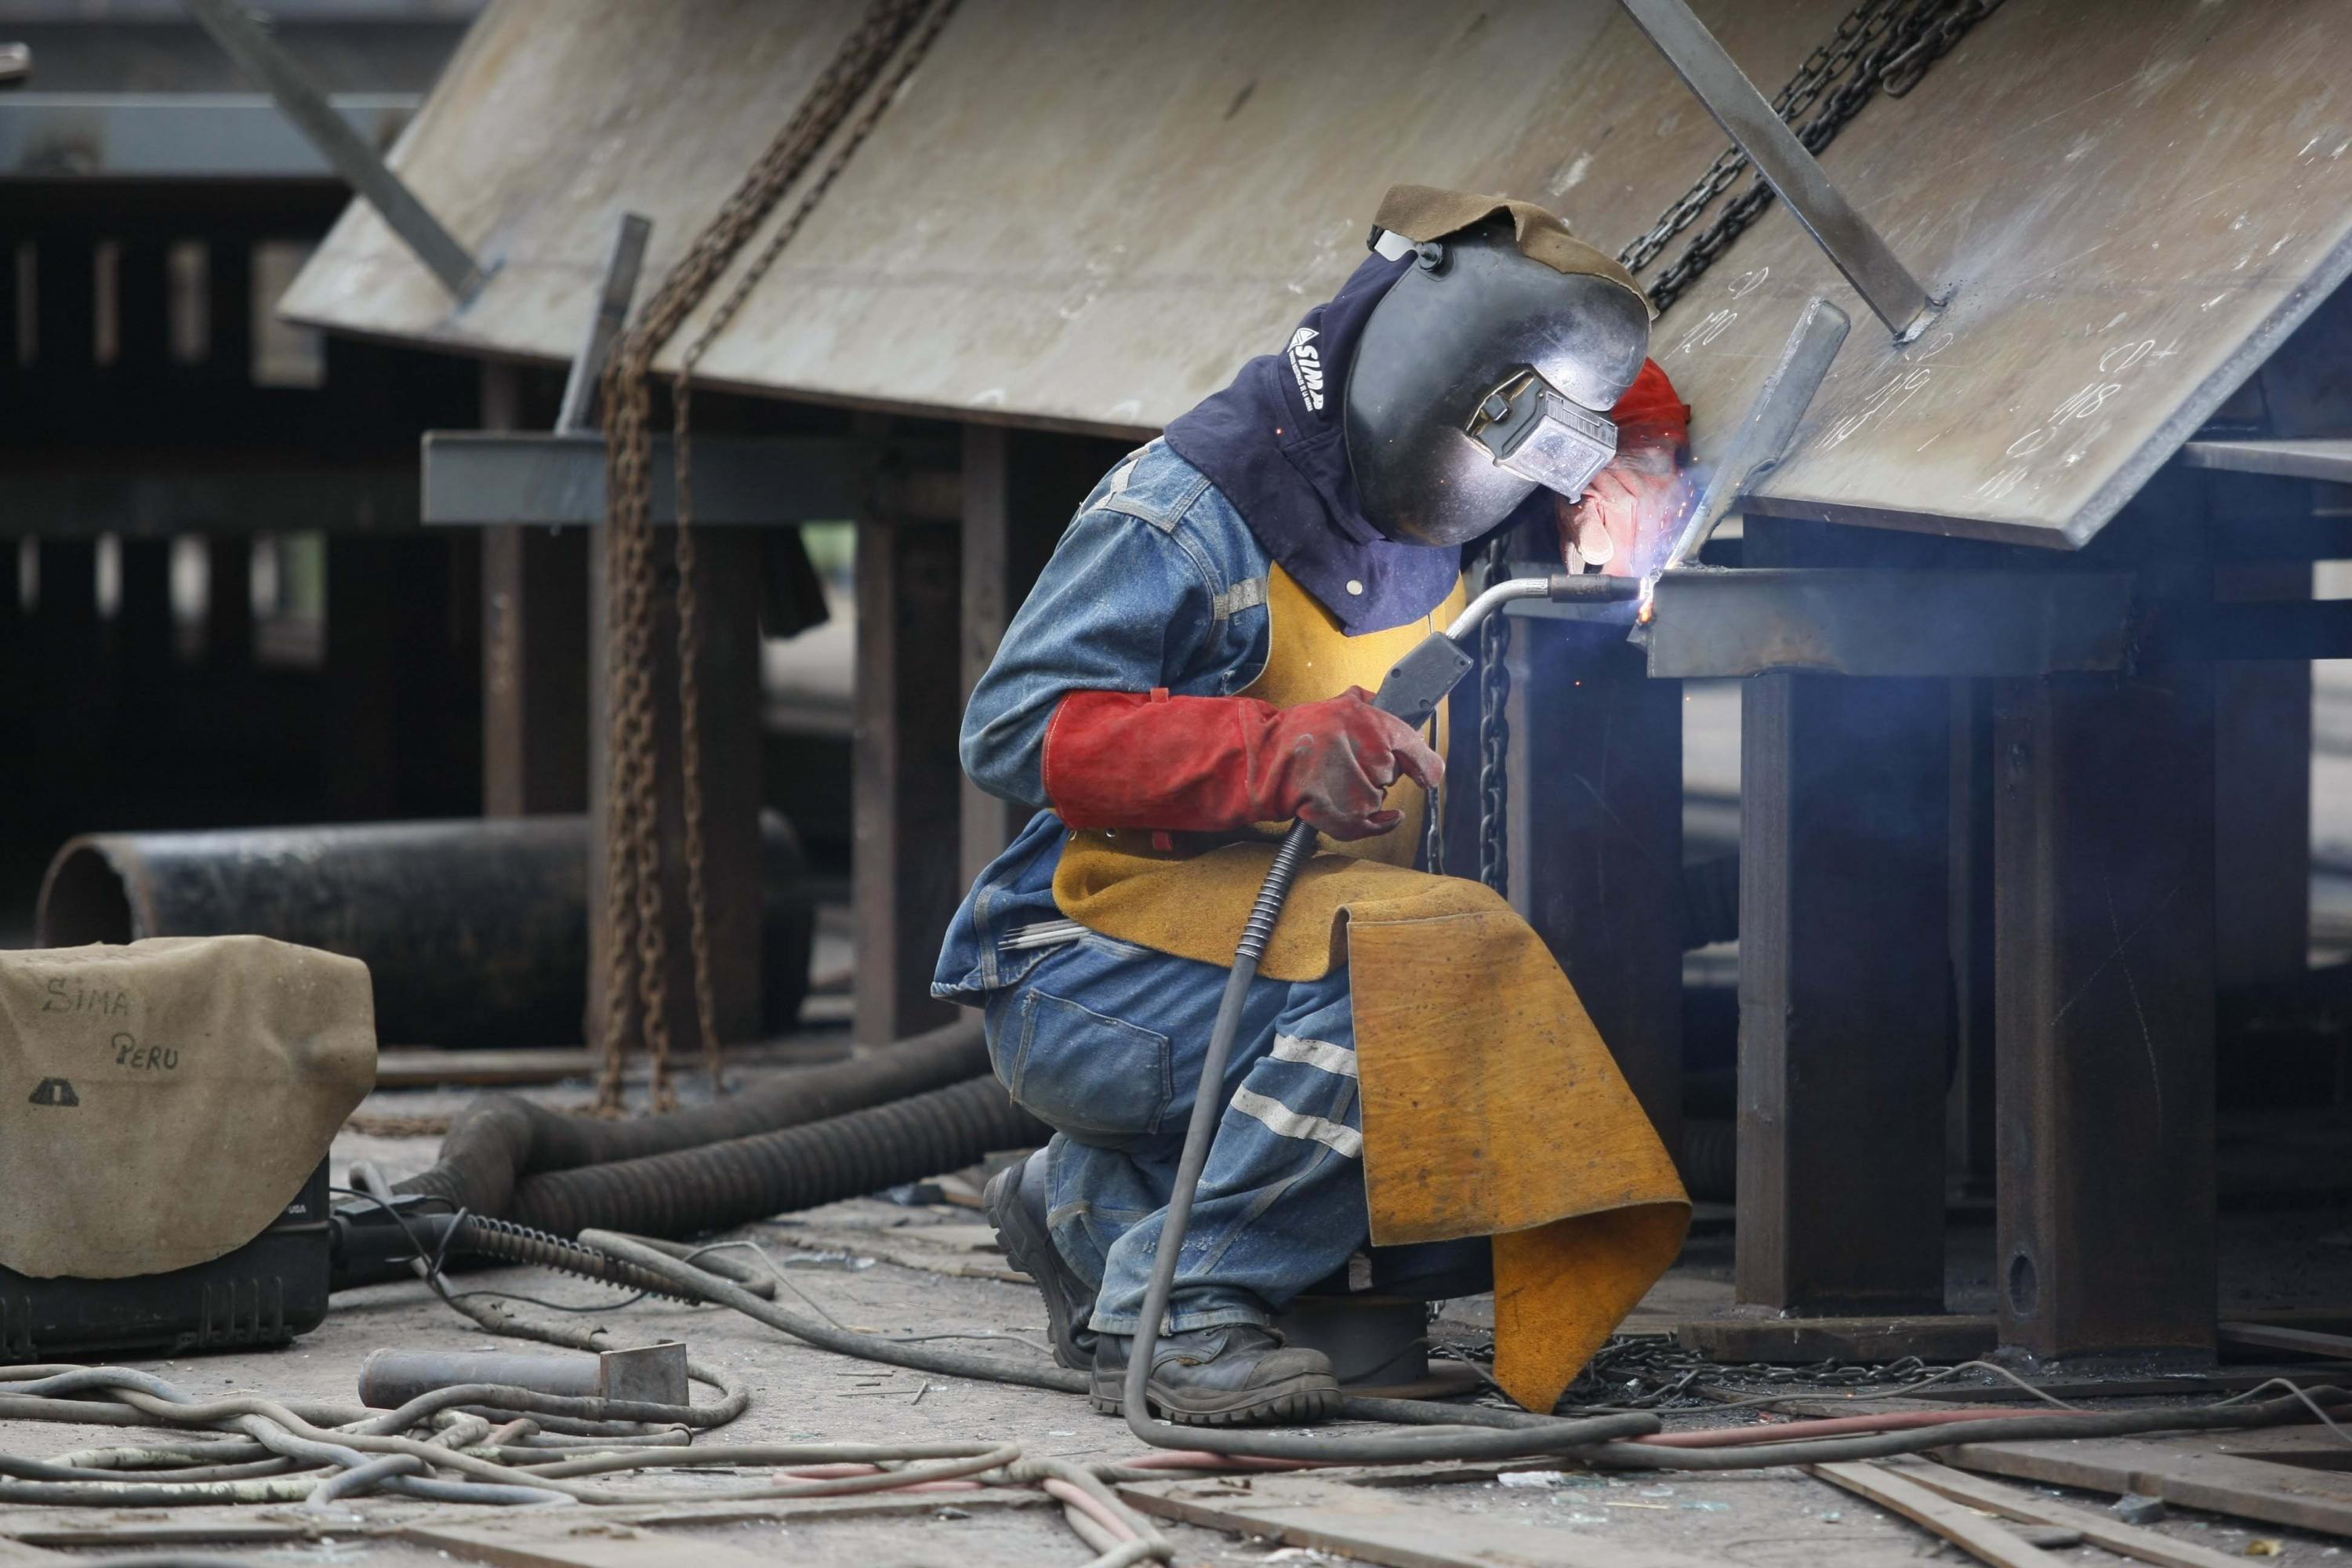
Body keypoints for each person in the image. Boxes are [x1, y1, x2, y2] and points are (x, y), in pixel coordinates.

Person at [935, 186, 1692, 1426]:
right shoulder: (1183, 513)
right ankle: (1181, 1305)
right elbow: (1012, 729)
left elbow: (1590, 375)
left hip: (1255, 949)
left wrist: (1635, 457)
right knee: (1426, 982)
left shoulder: (1466, 466)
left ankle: (1085, 1206)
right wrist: (1275, 752)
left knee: (1437, 980)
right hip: (1083, 969)